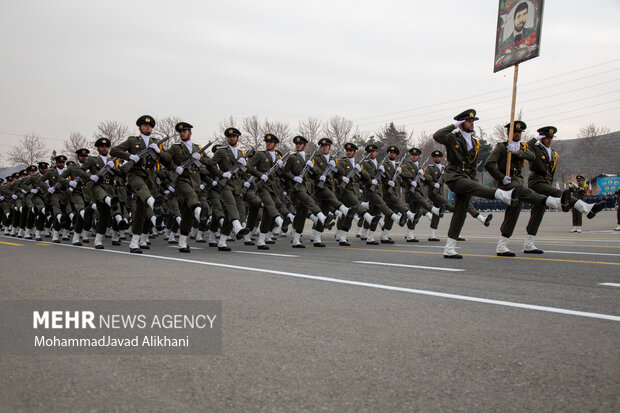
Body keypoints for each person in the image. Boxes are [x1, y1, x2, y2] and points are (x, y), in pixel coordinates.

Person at [433, 109, 521, 259]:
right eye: (468, 121)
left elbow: (472, 166)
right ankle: (502, 194)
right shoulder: (453, 138)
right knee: (474, 187)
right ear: (461, 123)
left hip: (467, 177)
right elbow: (437, 136)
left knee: (460, 213)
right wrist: (454, 125)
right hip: (454, 176)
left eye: (473, 121)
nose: (472, 123)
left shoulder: (475, 142)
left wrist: (472, 177)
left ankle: (449, 248)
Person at [485, 121, 564, 256]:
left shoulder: (522, 147)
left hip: (519, 182)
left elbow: (532, 156)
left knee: (515, 210)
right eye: (514, 132)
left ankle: (509, 245)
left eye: (519, 132)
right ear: (508, 133)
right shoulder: (501, 146)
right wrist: (501, 177)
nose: (517, 134)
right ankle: (553, 201)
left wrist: (516, 152)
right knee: (528, 197)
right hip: (507, 182)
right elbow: (489, 164)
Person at [525, 126, 606, 253]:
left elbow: (551, 172)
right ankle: (587, 209)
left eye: (551, 137)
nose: (549, 140)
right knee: (561, 194)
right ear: (541, 138)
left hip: (546, 183)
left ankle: (528, 245)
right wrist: (534, 139)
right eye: (546, 137)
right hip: (536, 182)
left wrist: (549, 183)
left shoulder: (554, 153)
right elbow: (523, 147)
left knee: (538, 213)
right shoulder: (535, 148)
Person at [110, 115, 169, 253]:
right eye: (145, 125)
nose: (148, 127)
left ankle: (134, 243)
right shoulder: (132, 141)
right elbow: (114, 150)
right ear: (140, 127)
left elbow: (168, 160)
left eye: (150, 126)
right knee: (142, 190)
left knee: (141, 213)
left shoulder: (156, 142)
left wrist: (159, 151)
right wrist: (130, 156)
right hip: (135, 174)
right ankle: (155, 205)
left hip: (150, 177)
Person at [206, 127, 251, 251]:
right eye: (229, 136)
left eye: (234, 136)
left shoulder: (242, 153)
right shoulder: (221, 152)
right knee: (231, 206)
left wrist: (245, 166)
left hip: (237, 186)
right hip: (225, 185)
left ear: (237, 138)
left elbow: (244, 172)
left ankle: (222, 242)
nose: (231, 138)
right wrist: (221, 174)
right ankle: (237, 228)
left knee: (228, 215)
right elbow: (210, 164)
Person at [247, 134, 286, 249]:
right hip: (262, 186)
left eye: (270, 142)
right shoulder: (260, 154)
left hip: (273, 188)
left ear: (275, 144)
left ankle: (261, 241)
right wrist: (260, 175)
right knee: (269, 204)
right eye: (267, 142)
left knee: (268, 214)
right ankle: (279, 220)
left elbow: (282, 174)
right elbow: (249, 167)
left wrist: (281, 166)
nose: (268, 144)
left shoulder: (278, 158)